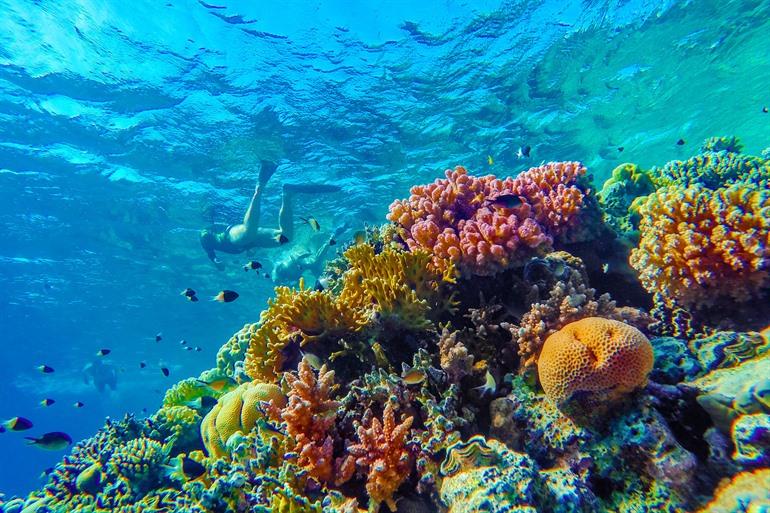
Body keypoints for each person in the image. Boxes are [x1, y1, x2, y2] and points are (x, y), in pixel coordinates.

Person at [199, 160, 340, 269]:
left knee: (249, 231)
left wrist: (214, 259)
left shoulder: (206, 235)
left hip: (231, 237)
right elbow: (209, 248)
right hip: (251, 243)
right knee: (285, 237)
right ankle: (287, 194)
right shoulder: (209, 241)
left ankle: (260, 185)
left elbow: (205, 239)